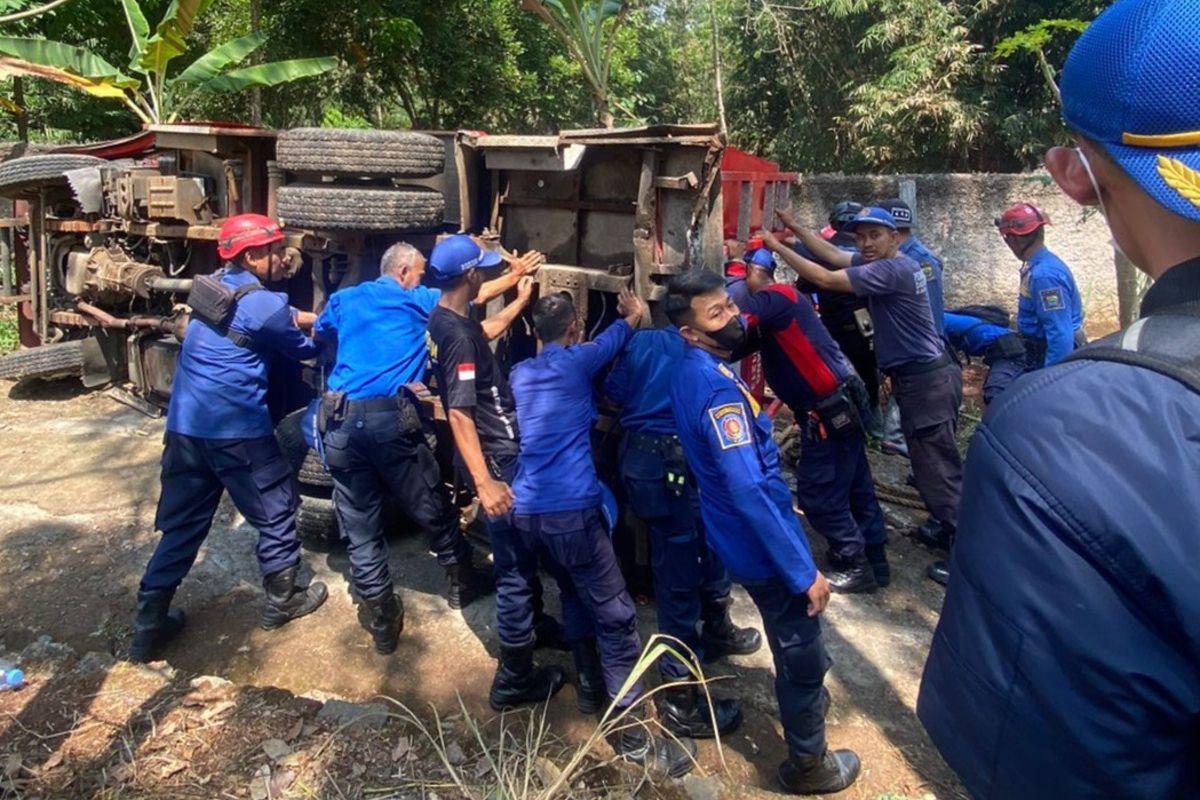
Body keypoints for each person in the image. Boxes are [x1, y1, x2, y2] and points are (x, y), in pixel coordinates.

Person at [919, 2, 1200, 798]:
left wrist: (1050, 394)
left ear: (1075, 175)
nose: (1010, 240)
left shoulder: (1073, 436)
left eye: (1013, 233)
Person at [665, 268, 859, 795]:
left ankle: (807, 706)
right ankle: (809, 764)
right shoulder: (717, 393)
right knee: (800, 644)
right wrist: (802, 571)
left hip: (735, 530)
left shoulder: (692, 369)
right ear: (690, 331)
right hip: (759, 541)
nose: (733, 317)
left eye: (729, 305)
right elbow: (749, 489)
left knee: (793, 635)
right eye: (717, 314)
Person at [511, 290, 697, 777]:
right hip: (571, 511)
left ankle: (590, 688)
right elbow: (618, 335)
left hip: (526, 512)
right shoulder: (579, 361)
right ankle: (632, 736)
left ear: (533, 333)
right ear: (575, 329)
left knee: (573, 591)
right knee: (616, 619)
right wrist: (634, 314)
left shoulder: (520, 373)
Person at [313, 240, 533, 652]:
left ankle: (382, 617)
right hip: (386, 420)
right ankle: (462, 580)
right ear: (402, 274)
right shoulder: (418, 301)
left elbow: (319, 332)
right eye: (418, 273)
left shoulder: (345, 299)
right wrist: (516, 278)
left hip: (338, 421)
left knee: (359, 526)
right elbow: (472, 293)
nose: (422, 279)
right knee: (430, 503)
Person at [130, 214, 328, 663]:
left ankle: (148, 624)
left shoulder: (211, 286)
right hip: (236, 430)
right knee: (276, 508)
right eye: (275, 250)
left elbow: (262, 315)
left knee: (182, 525)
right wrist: (330, 330)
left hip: (185, 427)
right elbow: (307, 348)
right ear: (253, 256)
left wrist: (299, 315)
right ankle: (283, 600)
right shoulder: (265, 305)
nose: (283, 257)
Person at [761, 209, 962, 583]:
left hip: (926, 383)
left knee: (937, 470)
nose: (865, 243)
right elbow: (834, 255)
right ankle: (949, 533)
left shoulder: (892, 270)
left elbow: (824, 276)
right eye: (860, 236)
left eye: (874, 235)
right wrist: (795, 229)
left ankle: (968, 558)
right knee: (931, 465)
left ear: (895, 237)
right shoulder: (888, 262)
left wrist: (774, 247)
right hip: (923, 378)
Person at [423, 234, 567, 710]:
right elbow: (460, 413)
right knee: (513, 563)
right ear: (468, 275)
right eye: (482, 269)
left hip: (496, 454)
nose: (486, 274)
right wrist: (486, 482)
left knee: (522, 550)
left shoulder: (445, 316)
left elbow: (482, 331)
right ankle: (514, 677)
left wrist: (519, 297)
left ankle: (536, 625)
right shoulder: (459, 336)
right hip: (498, 458)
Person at [603, 315, 761, 739]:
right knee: (679, 571)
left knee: (704, 547)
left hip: (655, 463)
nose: (729, 313)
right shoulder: (705, 355)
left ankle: (717, 628)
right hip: (673, 467)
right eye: (718, 308)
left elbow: (613, 394)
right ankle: (679, 697)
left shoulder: (643, 343)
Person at [736, 244, 889, 593]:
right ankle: (875, 558)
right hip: (840, 404)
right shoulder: (785, 304)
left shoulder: (774, 297)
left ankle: (853, 560)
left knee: (819, 493)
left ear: (751, 274)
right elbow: (745, 343)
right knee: (856, 485)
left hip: (827, 411)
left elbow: (733, 328)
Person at [995, 202, 1086, 368]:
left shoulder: (1044, 276)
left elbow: (1060, 335)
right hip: (1037, 349)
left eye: (1007, 239)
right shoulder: (1039, 266)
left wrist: (1049, 378)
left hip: (1050, 355)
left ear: (1014, 240)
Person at [880, 199, 946, 339]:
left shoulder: (921, 261)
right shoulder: (894, 256)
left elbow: (931, 313)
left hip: (922, 344)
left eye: (875, 233)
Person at [941, 310, 1025, 406]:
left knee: (995, 396)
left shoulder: (936, 324)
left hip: (1010, 349)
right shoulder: (939, 317)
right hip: (1003, 345)